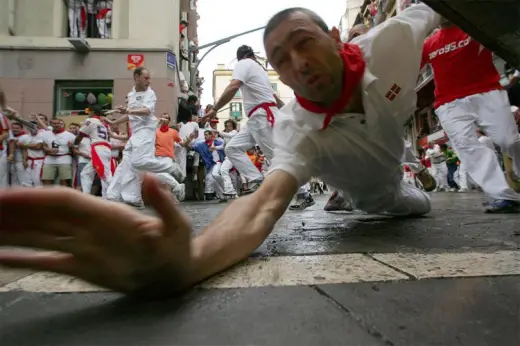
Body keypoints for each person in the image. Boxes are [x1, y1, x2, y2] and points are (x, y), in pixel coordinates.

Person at [0, 5, 441, 296]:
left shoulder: (392, 39)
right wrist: (191, 261)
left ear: (335, 35)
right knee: (407, 205)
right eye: (282, 59)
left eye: (305, 42)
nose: (299, 63)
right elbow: (262, 206)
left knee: (401, 171)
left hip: (390, 138)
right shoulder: (296, 131)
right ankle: (355, 190)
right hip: (379, 194)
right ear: (278, 76)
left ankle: (401, 166)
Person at [422, 18, 520, 212]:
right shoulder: (428, 44)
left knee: (509, 140)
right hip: (448, 103)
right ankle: (503, 195)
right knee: (467, 146)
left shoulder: (476, 28)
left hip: (487, 92)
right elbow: (407, 66)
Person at [205, 45, 315, 210]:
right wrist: (286, 112)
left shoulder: (244, 64)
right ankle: (257, 180)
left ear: (240, 56)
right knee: (232, 148)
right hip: (258, 117)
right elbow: (275, 98)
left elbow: (234, 86)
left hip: (262, 116)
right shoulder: (259, 71)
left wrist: (215, 109)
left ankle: (304, 193)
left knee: (276, 156)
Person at [73, 105, 112, 197]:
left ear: (93, 112)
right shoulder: (102, 123)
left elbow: (80, 135)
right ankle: (86, 196)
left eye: (89, 111)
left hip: (99, 148)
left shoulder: (90, 120)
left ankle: (110, 197)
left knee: (104, 174)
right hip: (103, 148)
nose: (88, 113)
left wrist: (74, 145)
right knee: (85, 173)